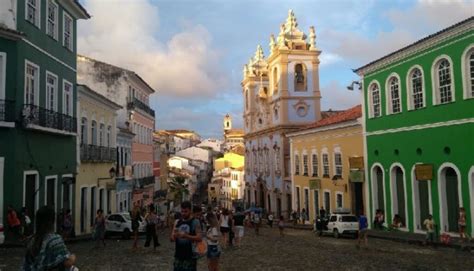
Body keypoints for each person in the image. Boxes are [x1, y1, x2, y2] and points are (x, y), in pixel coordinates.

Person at [23, 206, 77, 270]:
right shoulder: (55, 240)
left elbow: (26, 265)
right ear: (52, 221)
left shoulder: (31, 240)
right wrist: (73, 257)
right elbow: (67, 262)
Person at [170, 201, 202, 271]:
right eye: (182, 211)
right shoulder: (177, 222)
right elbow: (172, 239)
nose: (183, 213)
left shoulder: (195, 222)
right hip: (178, 256)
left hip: (190, 257)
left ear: (190, 210)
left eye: (185, 211)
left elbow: (199, 238)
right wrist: (174, 236)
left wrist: (186, 236)